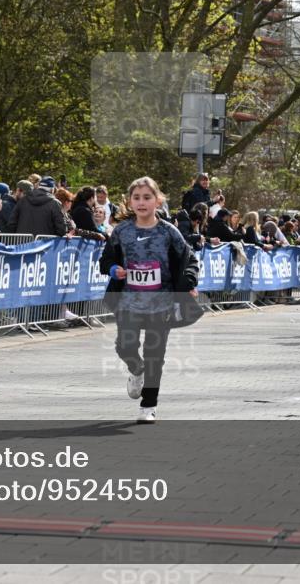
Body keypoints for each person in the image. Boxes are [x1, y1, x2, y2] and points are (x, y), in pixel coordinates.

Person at [100, 176, 200, 424]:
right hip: (128, 301)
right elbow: (106, 261)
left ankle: (149, 405)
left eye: (147, 197)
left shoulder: (169, 231)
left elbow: (190, 261)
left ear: (158, 201)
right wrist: (115, 270)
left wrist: (187, 283)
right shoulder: (122, 231)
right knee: (125, 346)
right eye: (137, 198)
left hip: (161, 302)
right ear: (129, 202)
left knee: (155, 354)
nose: (142, 202)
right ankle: (136, 370)